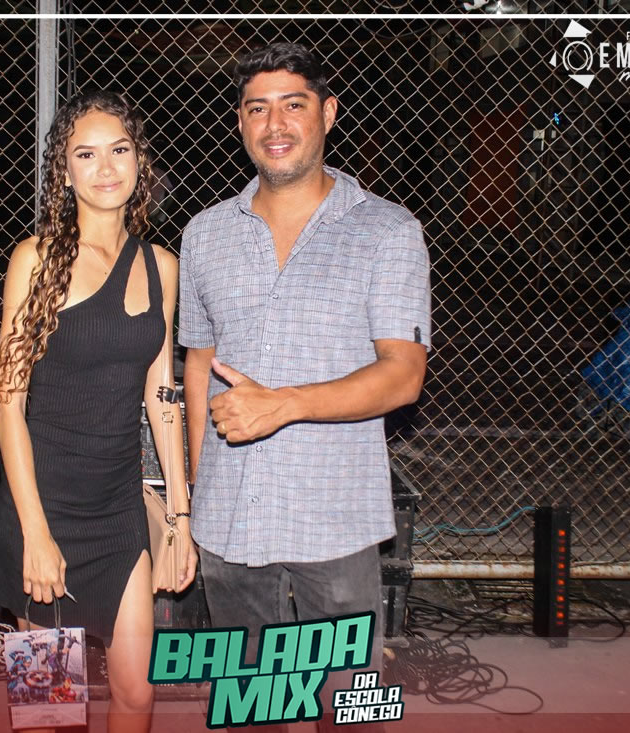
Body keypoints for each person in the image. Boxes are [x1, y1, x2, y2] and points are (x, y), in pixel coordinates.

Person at [178, 42, 430, 732]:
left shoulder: (387, 231)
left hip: (334, 516)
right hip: (231, 518)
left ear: (328, 112)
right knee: (250, 706)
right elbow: (199, 363)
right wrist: (200, 490)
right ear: (240, 122)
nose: (275, 124)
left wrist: (284, 404)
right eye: (257, 108)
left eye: (293, 104)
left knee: (351, 709)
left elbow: (404, 375)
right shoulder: (205, 234)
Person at [0, 89, 195, 733]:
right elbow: (7, 403)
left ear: (140, 162)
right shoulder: (36, 259)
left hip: (118, 510)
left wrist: (180, 515)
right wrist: (35, 534)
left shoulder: (163, 267)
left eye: (119, 150)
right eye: (86, 154)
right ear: (64, 171)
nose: (106, 168)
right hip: (43, 505)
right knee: (49, 704)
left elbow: (163, 396)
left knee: (137, 692)